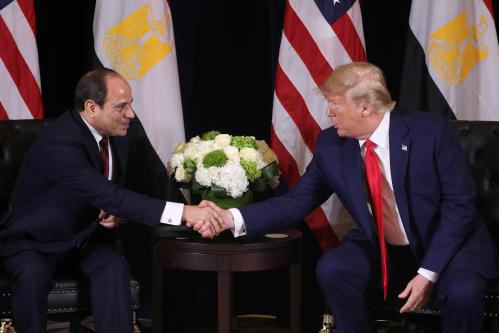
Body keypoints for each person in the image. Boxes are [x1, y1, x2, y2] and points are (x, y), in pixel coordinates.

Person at [192, 62, 497, 332]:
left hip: (448, 244)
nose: (328, 112)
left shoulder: (431, 132)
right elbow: (296, 202)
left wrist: (428, 273)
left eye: (334, 103)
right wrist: (229, 217)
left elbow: (460, 207)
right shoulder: (331, 146)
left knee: (463, 293)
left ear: (366, 107)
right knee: (334, 268)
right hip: (382, 248)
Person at [0, 68, 223, 333]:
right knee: (32, 275)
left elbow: (107, 197)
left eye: (131, 104)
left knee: (114, 269)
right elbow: (110, 194)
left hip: (83, 237)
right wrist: (186, 212)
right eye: (121, 106)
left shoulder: (116, 135)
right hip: (35, 241)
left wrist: (113, 213)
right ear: (92, 107)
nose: (130, 113)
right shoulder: (60, 142)